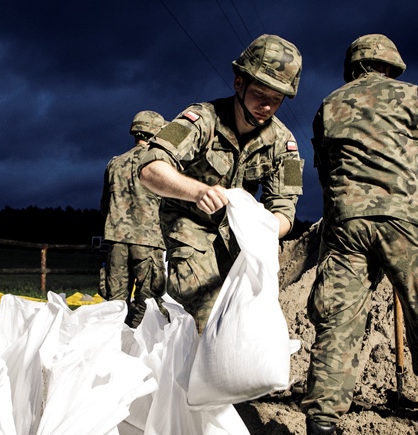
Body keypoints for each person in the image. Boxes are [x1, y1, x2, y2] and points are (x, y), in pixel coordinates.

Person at [288, 33, 418, 435]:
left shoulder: (328, 105)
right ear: (390, 65)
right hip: (405, 221)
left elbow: (324, 170)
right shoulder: (413, 97)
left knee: (337, 326)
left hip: (347, 223)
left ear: (354, 65)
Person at [138, 34, 304, 333]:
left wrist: (262, 227)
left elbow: (284, 211)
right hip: (190, 228)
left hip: (240, 242)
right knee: (200, 318)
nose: (266, 107)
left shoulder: (284, 143)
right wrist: (198, 191)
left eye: (276, 100)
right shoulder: (202, 119)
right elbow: (151, 167)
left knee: (244, 325)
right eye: (260, 95)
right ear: (239, 83)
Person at [100, 110, 168, 327]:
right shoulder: (158, 163)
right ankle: (136, 346)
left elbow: (105, 205)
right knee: (148, 303)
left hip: (116, 240)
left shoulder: (114, 163)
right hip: (148, 242)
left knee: (114, 303)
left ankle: (112, 345)